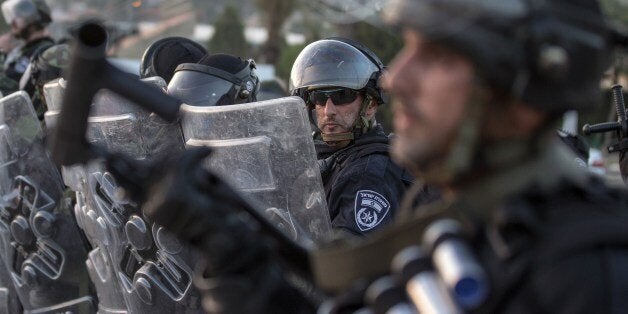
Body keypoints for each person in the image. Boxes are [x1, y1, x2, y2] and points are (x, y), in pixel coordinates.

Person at [364, 0, 628, 312]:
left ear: (524, 101)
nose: (394, 80)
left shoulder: (587, 274)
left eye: (439, 57)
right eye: (407, 47)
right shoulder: (440, 203)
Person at [290, 38, 418, 236]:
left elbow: (344, 260)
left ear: (371, 105)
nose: (328, 110)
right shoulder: (323, 157)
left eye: (342, 95)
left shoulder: (367, 176)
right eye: (319, 97)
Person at [0, 0, 54, 95]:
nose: (12, 22)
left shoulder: (44, 53)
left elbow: (13, 90)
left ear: (32, 18)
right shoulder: (27, 51)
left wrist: (1, 52)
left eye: (18, 16)